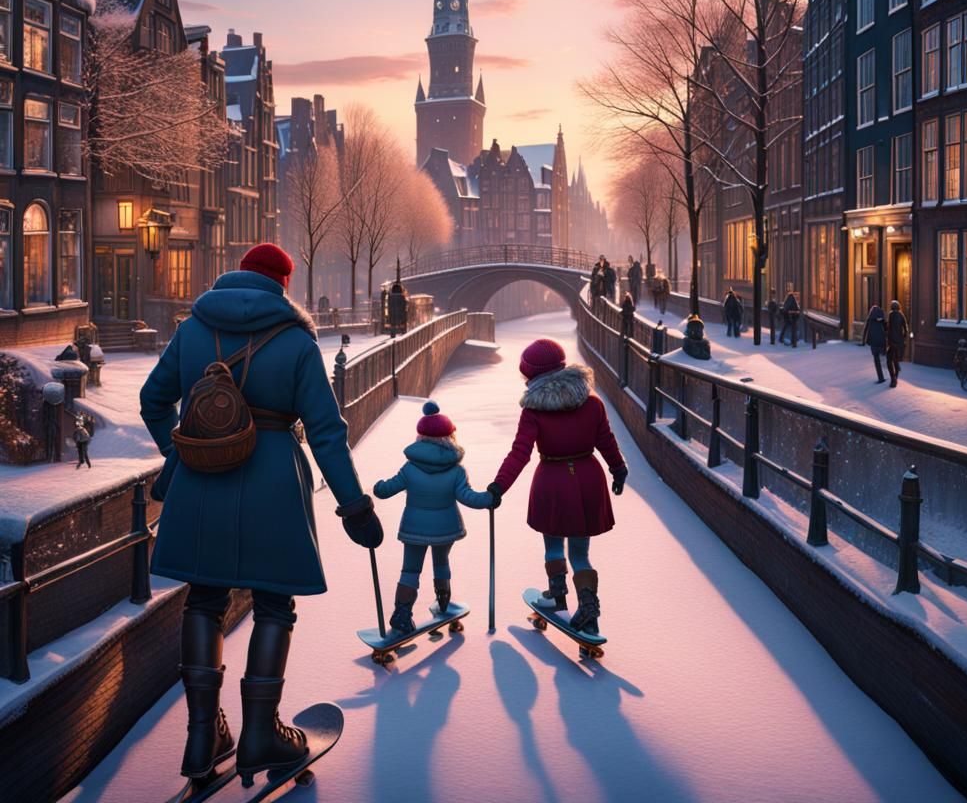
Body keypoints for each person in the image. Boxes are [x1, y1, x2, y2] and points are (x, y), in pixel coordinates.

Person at [140, 244, 383, 785]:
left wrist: (182, 451)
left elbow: (152, 400)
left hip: (202, 482)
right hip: (272, 482)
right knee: (274, 605)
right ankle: (261, 735)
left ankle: (202, 736)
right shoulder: (296, 340)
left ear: (238, 275)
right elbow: (325, 431)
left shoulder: (192, 330)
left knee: (204, 599)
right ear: (282, 285)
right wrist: (354, 506)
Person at [487, 339, 627, 634]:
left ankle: (556, 594)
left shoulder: (534, 411)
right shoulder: (592, 403)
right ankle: (588, 607)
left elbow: (520, 453)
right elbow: (606, 441)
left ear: (532, 373)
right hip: (589, 479)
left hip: (552, 481)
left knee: (553, 544)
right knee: (580, 552)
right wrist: (618, 469)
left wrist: (499, 486)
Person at [373, 401, 495, 632]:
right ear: (449, 438)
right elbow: (467, 497)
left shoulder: (410, 468)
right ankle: (443, 603)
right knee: (441, 562)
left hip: (414, 529)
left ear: (420, 437)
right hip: (445, 529)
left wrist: (378, 487)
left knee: (410, 570)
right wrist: (488, 498)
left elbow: (387, 489)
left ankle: (402, 614)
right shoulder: (456, 471)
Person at [861, 304, 888, 384]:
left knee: (876, 359)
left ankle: (881, 377)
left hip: (873, 341)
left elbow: (865, 330)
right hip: (881, 341)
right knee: (884, 358)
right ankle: (889, 375)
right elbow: (886, 329)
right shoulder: (882, 319)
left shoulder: (870, 319)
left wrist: (863, 341)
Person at [886, 301, 908, 388]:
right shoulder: (902, 315)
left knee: (889, 361)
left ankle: (893, 379)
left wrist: (888, 340)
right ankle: (895, 377)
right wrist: (902, 338)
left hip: (892, 342)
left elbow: (889, 328)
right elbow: (906, 329)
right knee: (896, 360)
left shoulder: (891, 315)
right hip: (899, 342)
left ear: (892, 307)